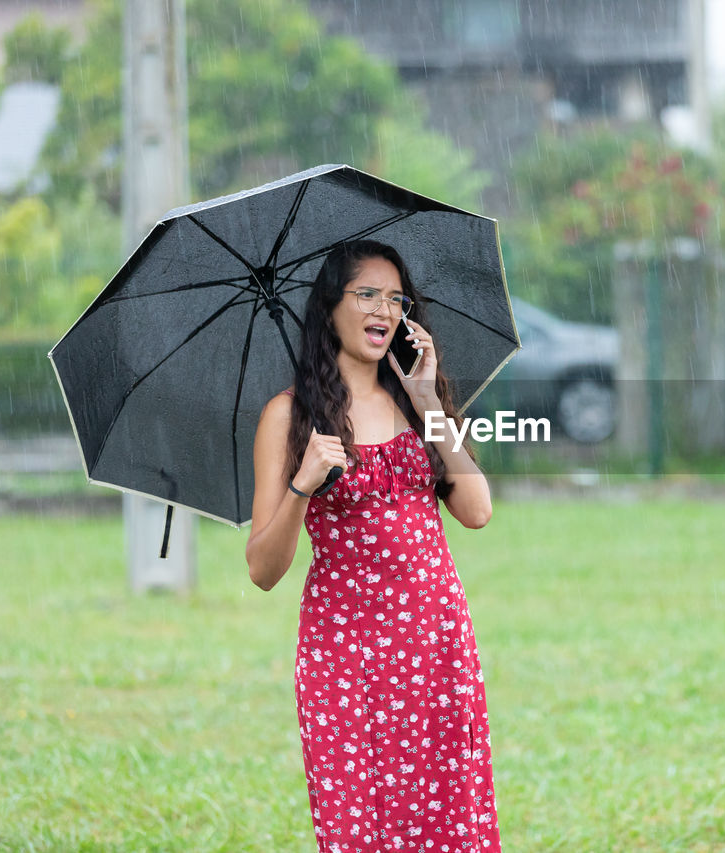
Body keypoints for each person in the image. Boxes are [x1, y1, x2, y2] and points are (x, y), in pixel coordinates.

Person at [245, 239, 501, 852]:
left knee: (448, 820)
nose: (383, 308)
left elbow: (477, 510)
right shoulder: (288, 417)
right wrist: (303, 485)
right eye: (366, 293)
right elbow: (262, 568)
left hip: (435, 647)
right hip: (347, 656)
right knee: (361, 824)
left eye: (395, 298)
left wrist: (429, 399)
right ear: (330, 306)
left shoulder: (421, 406)